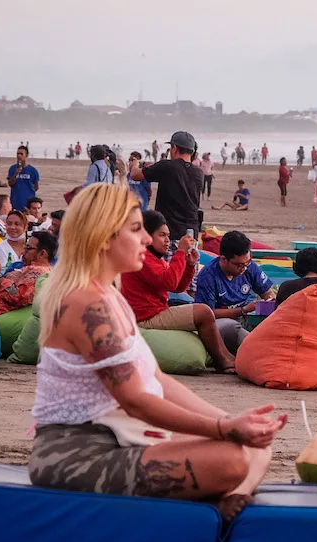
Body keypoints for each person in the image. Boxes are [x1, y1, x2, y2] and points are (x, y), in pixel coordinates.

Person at [29, 183, 286, 522]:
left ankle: (232, 499)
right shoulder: (87, 305)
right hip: (76, 455)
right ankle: (230, 494)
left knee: (256, 450)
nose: (147, 240)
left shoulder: (109, 296)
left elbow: (158, 380)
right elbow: (137, 400)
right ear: (104, 237)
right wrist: (224, 429)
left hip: (122, 436)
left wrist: (232, 422)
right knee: (233, 459)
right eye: (136, 230)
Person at [120, 210, 236, 373]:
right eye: (162, 235)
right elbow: (169, 281)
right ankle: (222, 360)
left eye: (168, 236)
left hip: (157, 311)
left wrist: (189, 266)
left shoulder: (154, 259)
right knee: (203, 312)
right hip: (146, 317)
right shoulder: (143, 257)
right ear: (146, 235)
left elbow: (177, 287)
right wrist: (180, 252)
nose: (167, 241)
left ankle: (226, 357)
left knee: (202, 312)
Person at [194, 231, 275, 354]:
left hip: (245, 319)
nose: (243, 268)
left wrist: (269, 301)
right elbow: (206, 314)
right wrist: (243, 310)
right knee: (233, 328)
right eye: (238, 265)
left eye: (246, 263)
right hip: (220, 324)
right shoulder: (208, 276)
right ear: (223, 259)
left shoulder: (249, 267)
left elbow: (268, 293)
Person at [131, 131, 202, 241]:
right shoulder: (198, 173)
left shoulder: (168, 166)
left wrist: (135, 165)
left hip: (169, 232)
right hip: (191, 232)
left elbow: (135, 175)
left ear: (174, 148)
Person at [0, 230, 57, 315]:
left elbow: (15, 297)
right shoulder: (25, 266)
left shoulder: (40, 273)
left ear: (42, 254)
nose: (23, 252)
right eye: (25, 247)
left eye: (28, 248)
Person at [0, 209, 28, 277]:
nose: (12, 227)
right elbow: (1, 274)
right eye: (9, 224)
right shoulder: (0, 247)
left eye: (17, 224)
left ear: (25, 227)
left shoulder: (30, 247)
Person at [7, 146, 40, 212]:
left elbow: (36, 187)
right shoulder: (12, 169)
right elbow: (10, 184)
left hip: (28, 203)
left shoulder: (33, 170)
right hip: (15, 202)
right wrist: (16, 173)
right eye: (18, 154)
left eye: (21, 154)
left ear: (26, 155)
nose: (19, 156)